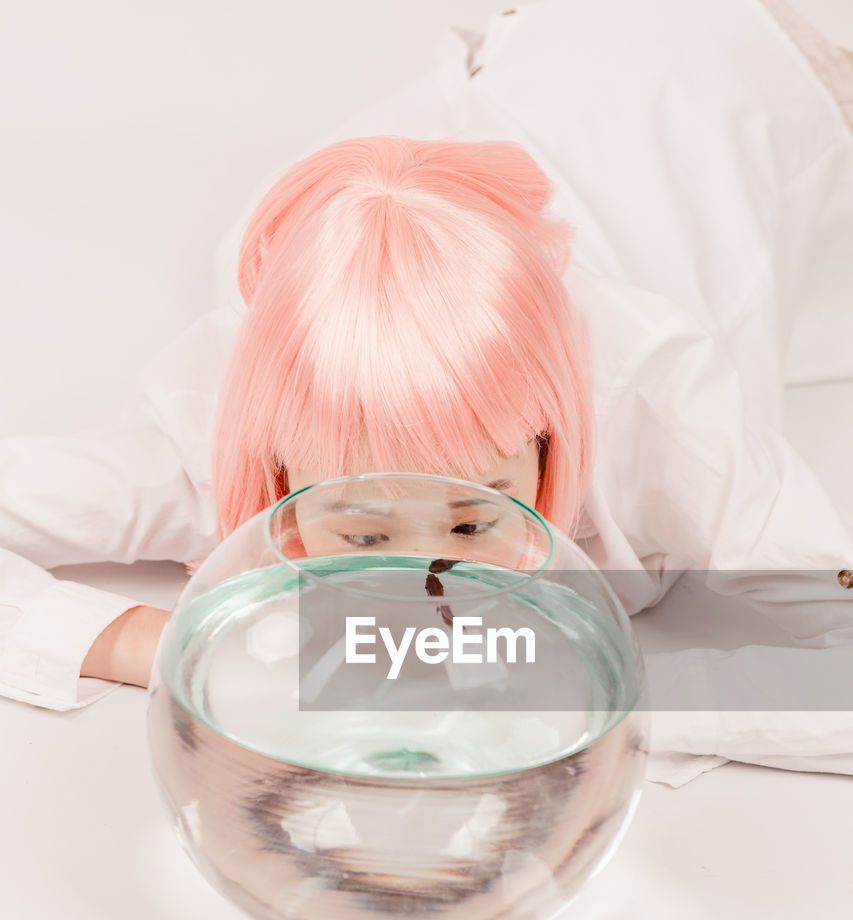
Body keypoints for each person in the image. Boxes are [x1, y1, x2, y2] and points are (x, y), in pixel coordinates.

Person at [1, 0, 852, 786]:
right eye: (362, 526)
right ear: (275, 467)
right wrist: (160, 645)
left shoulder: (656, 401)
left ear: (554, 443)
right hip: (482, 107)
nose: (426, 584)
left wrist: (573, 687)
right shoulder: (204, 429)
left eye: (477, 519)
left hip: (718, 50)